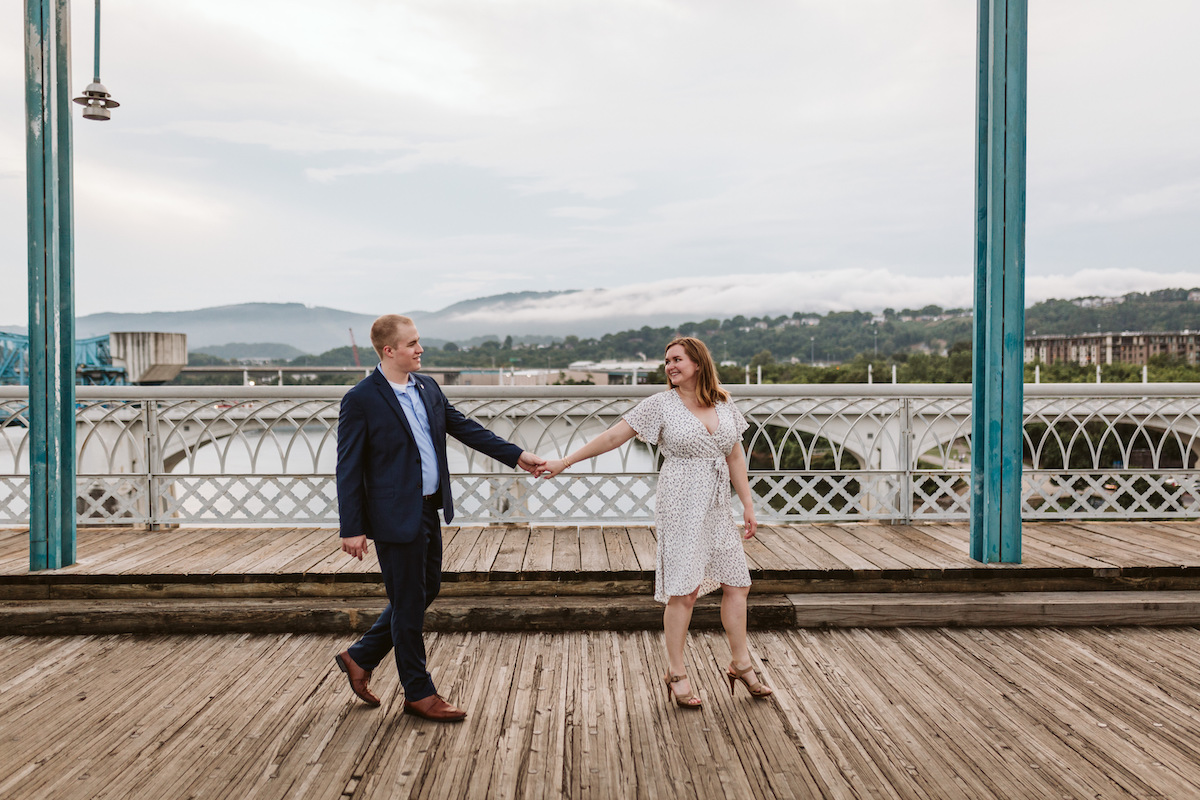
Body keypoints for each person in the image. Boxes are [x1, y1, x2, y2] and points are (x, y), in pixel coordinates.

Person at [334, 314, 547, 722]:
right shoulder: (360, 399)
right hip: (393, 515)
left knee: (424, 590)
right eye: (412, 344)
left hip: (429, 508)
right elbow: (348, 467)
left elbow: (465, 428)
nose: (420, 349)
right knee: (409, 604)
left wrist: (518, 456)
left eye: (419, 342)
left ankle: (360, 656)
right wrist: (353, 527)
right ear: (389, 351)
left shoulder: (427, 387)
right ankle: (419, 692)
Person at [541, 336, 772, 708]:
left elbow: (734, 455)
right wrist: (564, 462)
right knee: (685, 590)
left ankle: (740, 662)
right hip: (680, 501)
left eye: (677, 359)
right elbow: (614, 436)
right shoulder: (661, 405)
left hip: (716, 504)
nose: (670, 366)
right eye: (667, 361)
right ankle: (676, 672)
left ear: (698, 363)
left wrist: (747, 504)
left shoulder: (725, 404)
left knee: (737, 583)